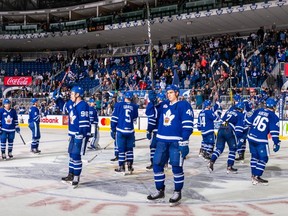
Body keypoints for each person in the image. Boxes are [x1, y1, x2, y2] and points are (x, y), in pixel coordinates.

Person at [146, 85, 194, 207]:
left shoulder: (183, 105)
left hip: (176, 142)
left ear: (177, 93)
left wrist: (184, 142)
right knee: (157, 165)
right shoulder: (163, 105)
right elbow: (150, 114)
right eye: (167, 93)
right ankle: (160, 191)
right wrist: (151, 102)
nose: (169, 95)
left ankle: (177, 192)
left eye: (171, 92)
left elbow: (187, 125)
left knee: (176, 167)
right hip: (161, 141)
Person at [61, 86, 90, 188]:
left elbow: (85, 123)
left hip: (79, 135)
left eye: (72, 94)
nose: (71, 95)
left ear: (78, 95)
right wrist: (58, 98)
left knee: (76, 156)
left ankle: (76, 177)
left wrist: (82, 135)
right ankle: (71, 174)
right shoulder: (73, 104)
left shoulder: (83, 106)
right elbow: (64, 108)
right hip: (73, 135)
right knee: (71, 155)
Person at [246, 98, 280, 185]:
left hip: (250, 136)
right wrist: (276, 142)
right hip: (260, 139)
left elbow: (248, 122)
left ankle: (253, 175)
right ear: (274, 106)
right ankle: (257, 176)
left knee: (254, 156)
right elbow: (274, 133)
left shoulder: (258, 110)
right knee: (264, 158)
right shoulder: (273, 116)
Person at [207, 102, 245, 174]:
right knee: (233, 149)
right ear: (242, 109)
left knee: (219, 148)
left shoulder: (228, 111)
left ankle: (211, 161)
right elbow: (239, 129)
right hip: (229, 130)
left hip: (221, 129)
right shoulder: (240, 115)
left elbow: (221, 120)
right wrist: (239, 138)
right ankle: (229, 167)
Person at [110, 91, 139, 175]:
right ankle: (130, 166)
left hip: (121, 130)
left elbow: (114, 119)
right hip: (130, 131)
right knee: (130, 149)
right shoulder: (134, 106)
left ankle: (121, 167)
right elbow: (134, 118)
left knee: (121, 149)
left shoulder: (119, 105)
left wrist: (113, 129)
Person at [145, 92, 166, 170]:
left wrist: (149, 131)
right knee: (163, 148)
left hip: (157, 131)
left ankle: (153, 163)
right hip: (165, 131)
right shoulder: (168, 106)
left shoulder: (156, 107)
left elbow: (152, 121)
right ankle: (165, 163)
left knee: (153, 147)